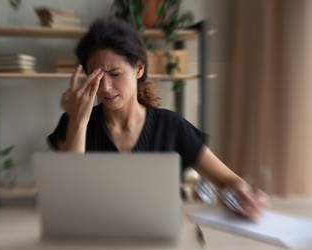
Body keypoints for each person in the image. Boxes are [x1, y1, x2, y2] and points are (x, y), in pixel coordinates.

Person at [48, 18, 268, 220]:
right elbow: (67, 198)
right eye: (96, 76)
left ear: (139, 68)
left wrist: (243, 193)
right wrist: (78, 121)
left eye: (115, 74)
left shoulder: (171, 127)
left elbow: (227, 180)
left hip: (157, 245)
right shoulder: (74, 123)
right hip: (90, 244)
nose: (105, 88)